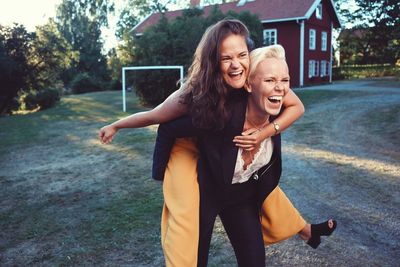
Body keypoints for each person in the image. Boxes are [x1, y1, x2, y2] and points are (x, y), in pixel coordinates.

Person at [99, 19, 336, 267]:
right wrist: (119, 126)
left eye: (242, 54)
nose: (236, 64)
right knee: (190, 251)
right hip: (207, 181)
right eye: (225, 58)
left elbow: (295, 105)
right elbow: (160, 119)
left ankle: (306, 230)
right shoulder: (201, 99)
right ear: (214, 61)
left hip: (239, 189)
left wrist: (264, 132)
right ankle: (306, 230)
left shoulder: (263, 81)